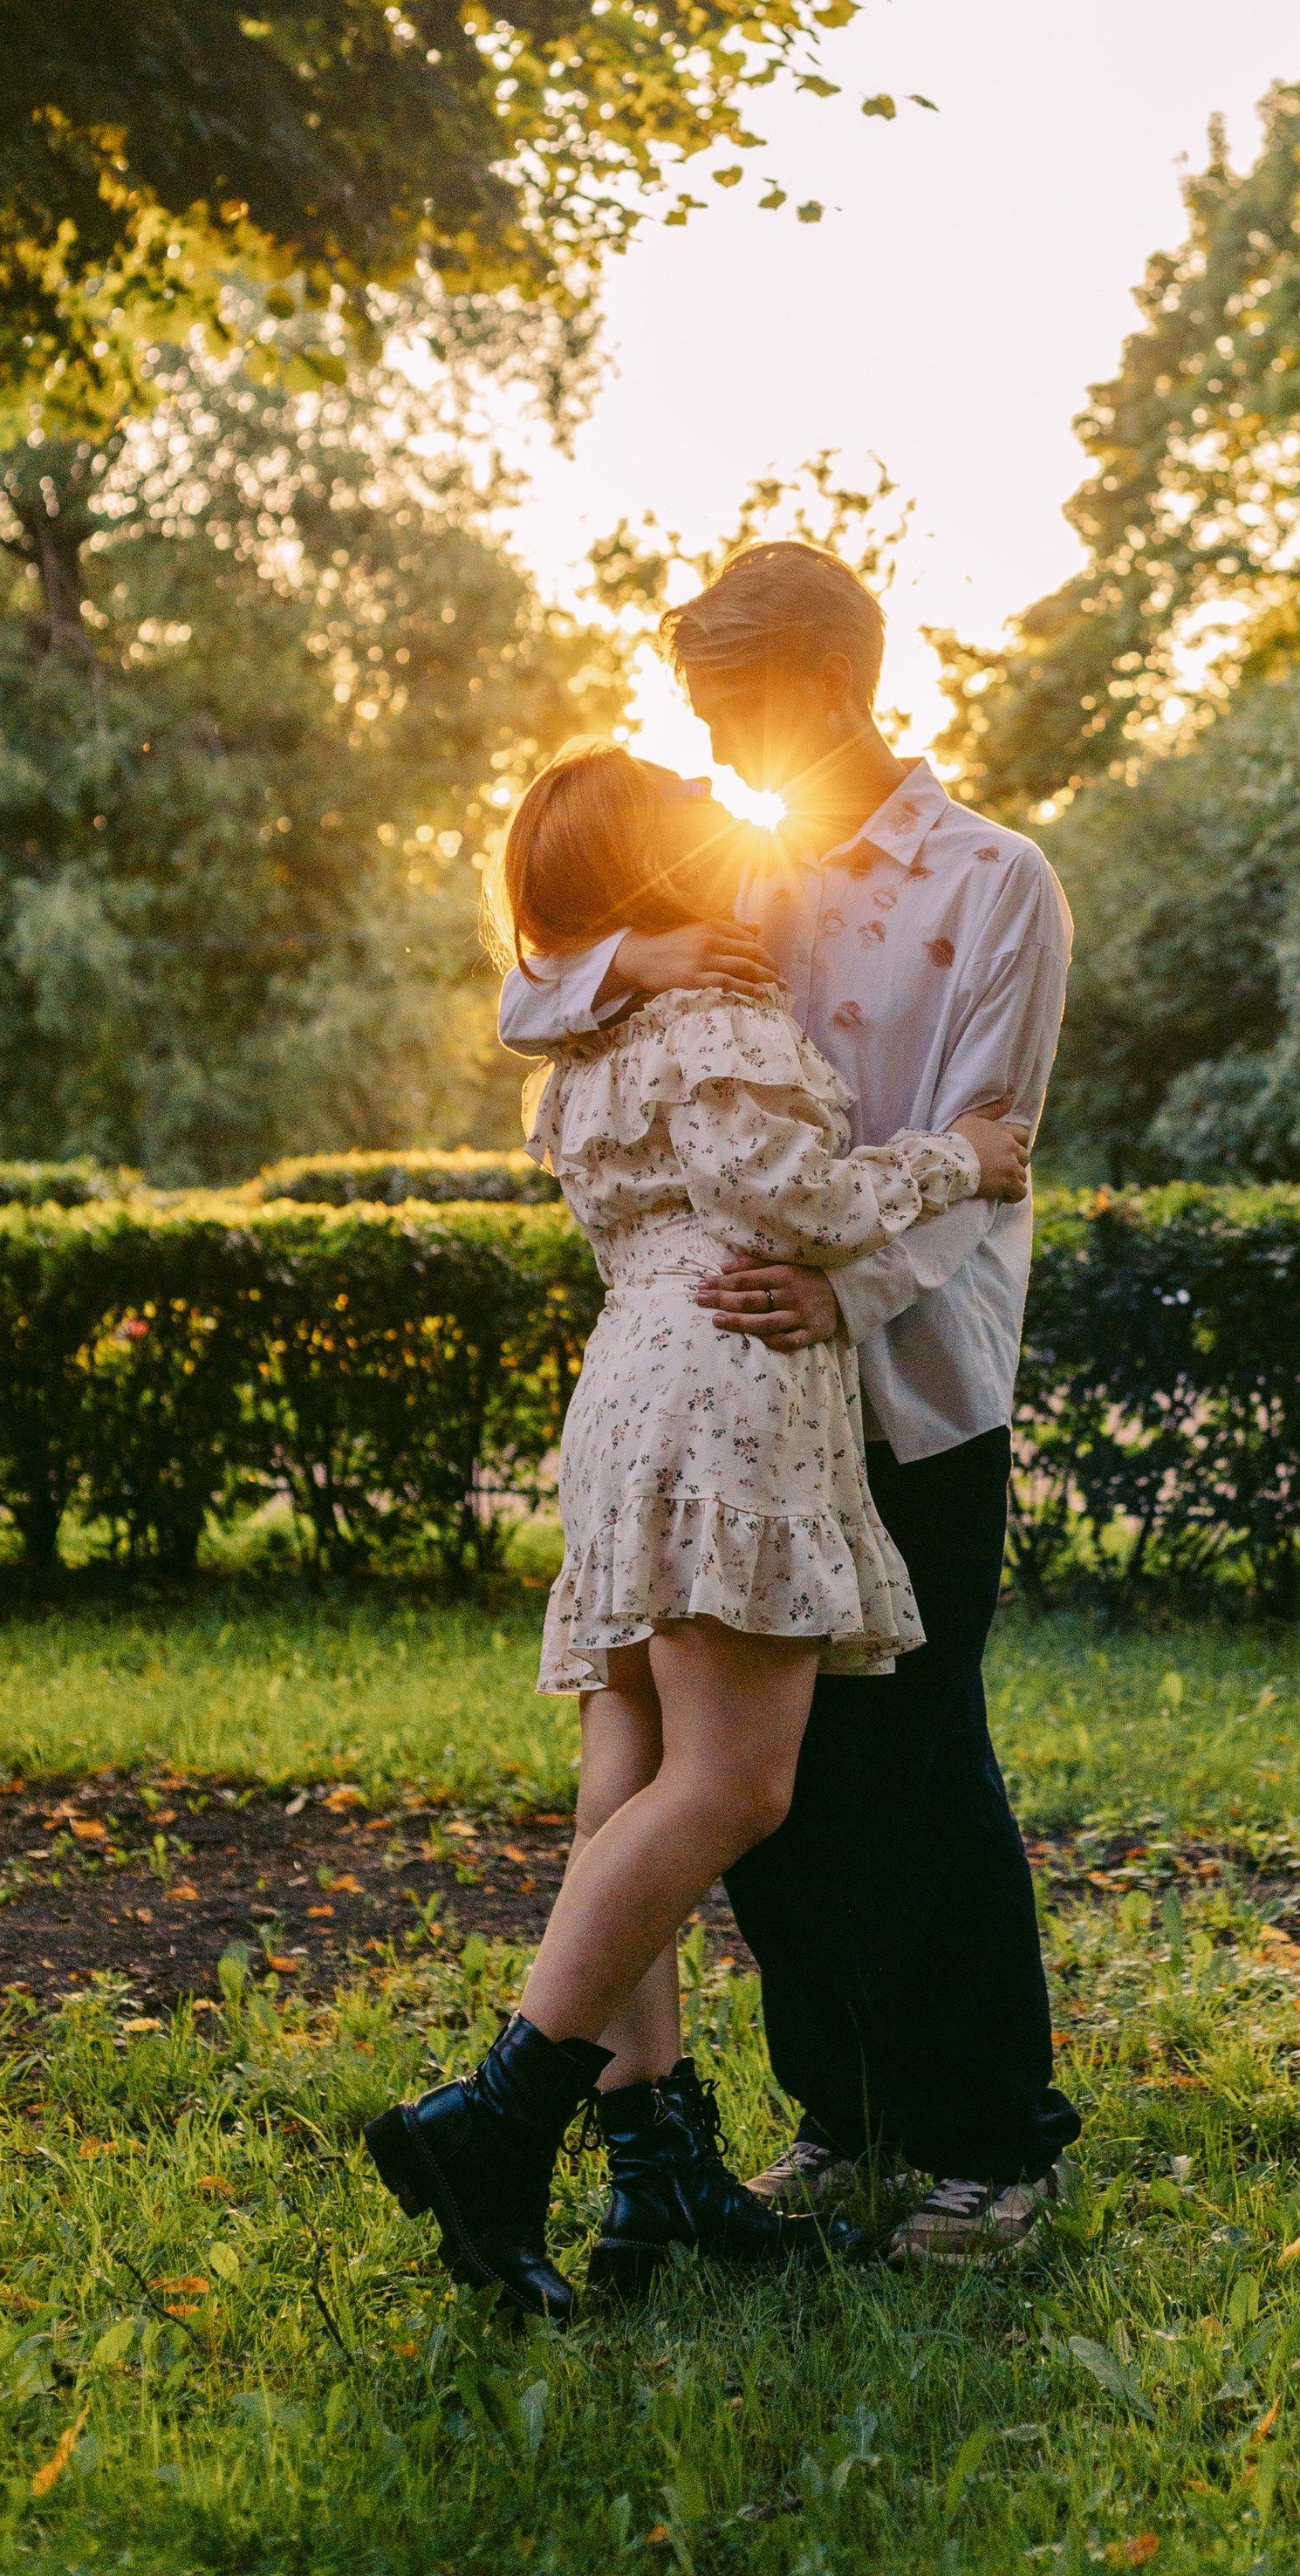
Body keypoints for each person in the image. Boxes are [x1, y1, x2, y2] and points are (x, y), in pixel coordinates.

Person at [363, 742, 1033, 2323]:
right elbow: (796, 1203)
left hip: (627, 1391)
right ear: (669, 875)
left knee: (635, 1779)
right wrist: (966, 1157)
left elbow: (560, 1015)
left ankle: (651, 2166)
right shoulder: (717, 1019)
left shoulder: (593, 1036)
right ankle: (497, 2114)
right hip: (730, 1388)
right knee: (737, 1783)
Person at [496, 538, 1080, 2267]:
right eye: (697, 714)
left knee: (913, 1764)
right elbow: (537, 980)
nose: (718, 741)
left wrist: (841, 1285)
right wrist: (639, 969)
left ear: (831, 680)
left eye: (733, 707)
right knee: (765, 1787)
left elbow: (993, 1150)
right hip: (752, 1395)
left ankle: (991, 2144)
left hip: (909, 1383)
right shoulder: (726, 876)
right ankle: (842, 2116)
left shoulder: (994, 885)